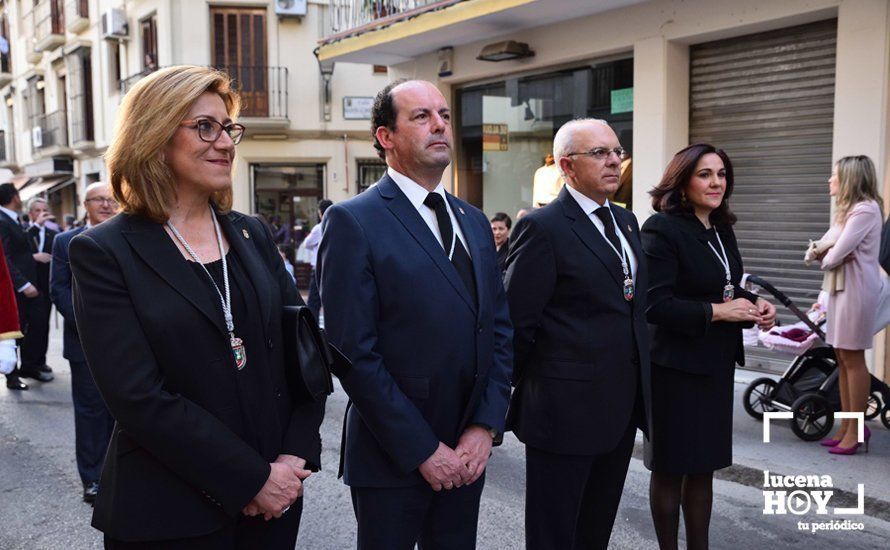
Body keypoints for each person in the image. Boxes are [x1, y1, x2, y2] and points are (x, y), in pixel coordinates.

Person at [68, 66, 325, 548]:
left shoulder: (250, 233)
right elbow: (138, 396)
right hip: (169, 513)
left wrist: (294, 457)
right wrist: (251, 479)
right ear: (154, 136)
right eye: (205, 127)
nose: (225, 142)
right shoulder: (104, 252)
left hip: (275, 506)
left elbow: (304, 352)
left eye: (228, 128)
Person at [318, 79, 513, 550]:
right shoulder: (354, 220)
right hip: (394, 456)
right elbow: (352, 354)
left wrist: (485, 427)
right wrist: (422, 449)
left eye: (443, 115)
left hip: (468, 452)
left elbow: (500, 330)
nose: (440, 125)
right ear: (386, 137)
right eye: (421, 116)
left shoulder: (473, 221)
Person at [504, 118, 650, 550]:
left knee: (595, 529)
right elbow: (516, 324)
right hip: (562, 413)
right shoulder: (543, 228)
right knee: (555, 534)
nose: (613, 162)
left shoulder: (626, 223)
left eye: (617, 152)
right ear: (567, 166)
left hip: (619, 408)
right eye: (600, 153)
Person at [641, 143, 776, 550]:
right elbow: (655, 304)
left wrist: (754, 304)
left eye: (721, 174)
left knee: (703, 468)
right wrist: (719, 312)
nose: (716, 182)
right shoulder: (661, 229)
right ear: (682, 181)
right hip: (674, 369)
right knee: (670, 468)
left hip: (714, 366)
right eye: (704, 174)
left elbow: (725, 287)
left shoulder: (719, 227)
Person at [50, 183, 118, 504]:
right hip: (85, 345)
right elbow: (59, 289)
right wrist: (89, 327)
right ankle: (92, 479)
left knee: (125, 411)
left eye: (110, 199)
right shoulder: (65, 242)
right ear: (84, 204)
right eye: (99, 200)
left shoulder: (128, 236)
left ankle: (121, 474)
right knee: (91, 414)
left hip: (126, 343)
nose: (106, 204)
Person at [815, 155, 883, 455]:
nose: (830, 180)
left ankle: (855, 431)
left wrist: (828, 255)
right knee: (842, 357)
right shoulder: (848, 212)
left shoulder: (865, 210)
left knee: (853, 360)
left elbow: (832, 254)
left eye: (835, 176)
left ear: (850, 180)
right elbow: (820, 250)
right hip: (841, 290)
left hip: (856, 292)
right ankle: (846, 426)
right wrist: (827, 254)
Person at [0, 183, 52, 389]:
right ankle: (12, 376)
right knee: (12, 331)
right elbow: (5, 259)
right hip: (15, 289)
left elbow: (20, 249)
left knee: (33, 327)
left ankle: (30, 366)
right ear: (14, 197)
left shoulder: (12, 219)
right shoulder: (2, 221)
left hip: (30, 285)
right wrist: (22, 284)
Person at [23, 197, 57, 376]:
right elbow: (21, 250)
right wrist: (36, 225)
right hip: (30, 287)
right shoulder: (26, 231)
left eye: (45, 210)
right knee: (32, 328)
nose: (42, 214)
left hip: (46, 287)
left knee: (44, 326)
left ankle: (40, 360)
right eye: (38, 210)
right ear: (30, 213)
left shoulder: (52, 234)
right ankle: (28, 364)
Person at [304, 199, 333, 319]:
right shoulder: (337, 225)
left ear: (320, 213)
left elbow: (307, 244)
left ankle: (313, 331)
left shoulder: (318, 228)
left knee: (313, 301)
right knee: (331, 299)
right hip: (333, 267)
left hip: (319, 268)